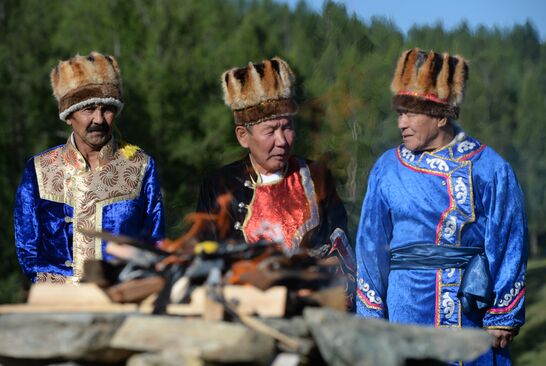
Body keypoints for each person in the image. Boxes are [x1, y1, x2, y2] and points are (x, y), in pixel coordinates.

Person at [355, 48, 527, 365]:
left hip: (470, 308)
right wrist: (369, 313)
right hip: (404, 307)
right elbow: (370, 246)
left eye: (410, 114)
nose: (401, 123)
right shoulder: (386, 169)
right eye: (399, 114)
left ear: (440, 115)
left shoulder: (489, 167)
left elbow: (509, 239)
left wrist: (504, 311)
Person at [196, 57, 355, 302]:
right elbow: (206, 259)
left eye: (287, 127)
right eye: (270, 131)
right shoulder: (218, 186)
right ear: (243, 136)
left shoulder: (316, 177)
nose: (282, 141)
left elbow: (342, 251)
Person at [14, 52, 165, 284]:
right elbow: (27, 247)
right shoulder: (40, 169)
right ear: (68, 115)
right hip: (56, 305)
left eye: (107, 109)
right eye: (88, 109)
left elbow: (155, 242)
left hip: (121, 298)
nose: (99, 119)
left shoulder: (140, 165)